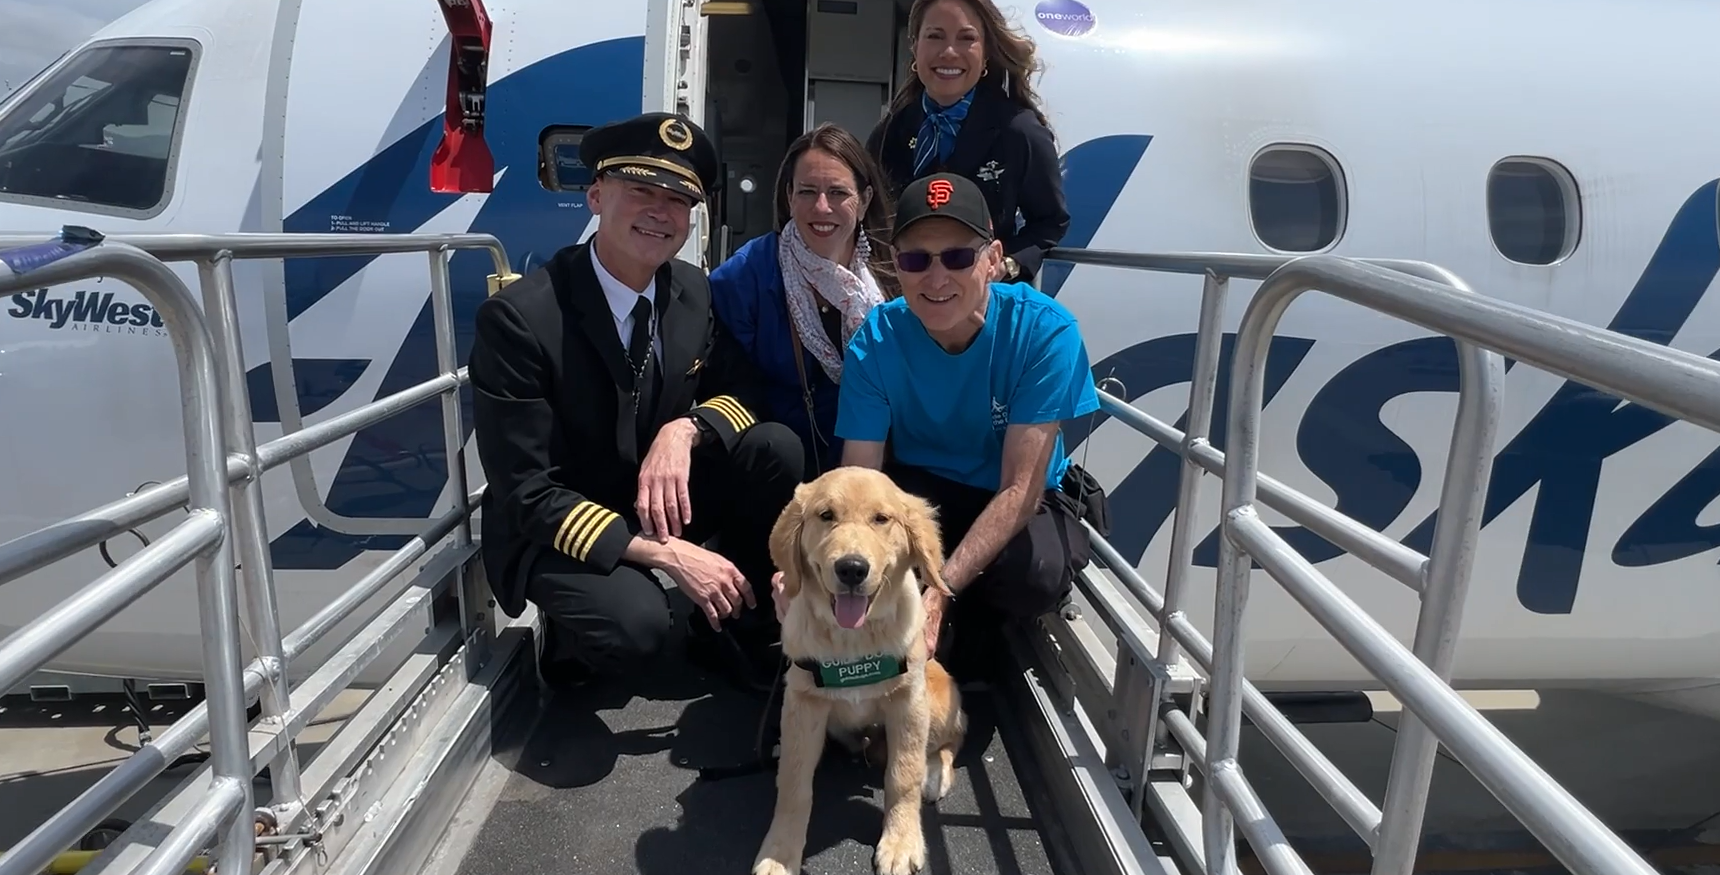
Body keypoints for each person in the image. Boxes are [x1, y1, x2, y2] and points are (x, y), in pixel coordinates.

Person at [468, 111, 804, 695]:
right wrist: (670, 557)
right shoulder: (522, 318)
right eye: (641, 191)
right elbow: (526, 491)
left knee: (776, 448)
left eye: (677, 200)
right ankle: (567, 640)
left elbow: (742, 389)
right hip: (559, 524)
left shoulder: (692, 292)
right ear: (596, 196)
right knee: (640, 630)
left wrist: (686, 429)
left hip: (652, 500)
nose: (660, 211)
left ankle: (727, 622)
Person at [828, 172, 1108, 683]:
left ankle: (966, 630)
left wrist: (939, 593)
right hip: (923, 489)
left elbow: (1021, 489)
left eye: (958, 257)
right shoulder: (879, 336)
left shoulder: (1045, 331)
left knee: (1034, 576)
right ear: (897, 265)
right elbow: (860, 486)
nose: (936, 279)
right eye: (916, 260)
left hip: (1012, 492)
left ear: (994, 257)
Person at [709, 123, 896, 478]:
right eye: (807, 191)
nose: (821, 207)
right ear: (788, 196)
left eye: (838, 192)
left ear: (865, 200)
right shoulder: (745, 276)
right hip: (780, 475)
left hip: (878, 471)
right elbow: (725, 387)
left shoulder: (897, 273)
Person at [865, 0, 1069, 286]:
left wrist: (1007, 264)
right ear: (915, 46)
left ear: (986, 53)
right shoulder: (890, 131)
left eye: (967, 38)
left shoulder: (1019, 131)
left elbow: (1050, 223)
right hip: (904, 302)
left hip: (980, 305)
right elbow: (867, 214)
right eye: (935, 36)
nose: (949, 52)